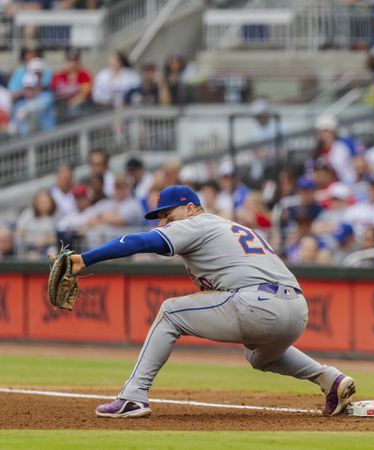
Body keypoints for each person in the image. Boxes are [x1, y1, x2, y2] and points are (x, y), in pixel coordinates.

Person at [64, 185, 356, 418]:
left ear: (190, 208)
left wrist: (85, 259)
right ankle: (330, 379)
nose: (164, 222)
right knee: (260, 356)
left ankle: (133, 397)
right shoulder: (226, 227)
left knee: (170, 312)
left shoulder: (197, 224)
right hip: (296, 310)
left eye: (167, 214)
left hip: (257, 303)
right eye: (159, 217)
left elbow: (141, 242)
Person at [11, 71, 56, 137]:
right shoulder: (20, 104)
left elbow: (41, 105)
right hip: (25, 141)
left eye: (32, 88)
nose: (29, 91)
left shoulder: (46, 96)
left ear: (37, 88)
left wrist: (25, 110)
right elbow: (14, 124)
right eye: (27, 88)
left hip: (46, 138)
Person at [51, 47, 92, 116]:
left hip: (80, 107)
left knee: (74, 109)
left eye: (75, 60)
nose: (73, 63)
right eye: (70, 60)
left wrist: (73, 101)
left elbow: (84, 94)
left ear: (79, 61)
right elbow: (53, 93)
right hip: (61, 106)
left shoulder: (85, 75)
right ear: (66, 61)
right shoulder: (58, 76)